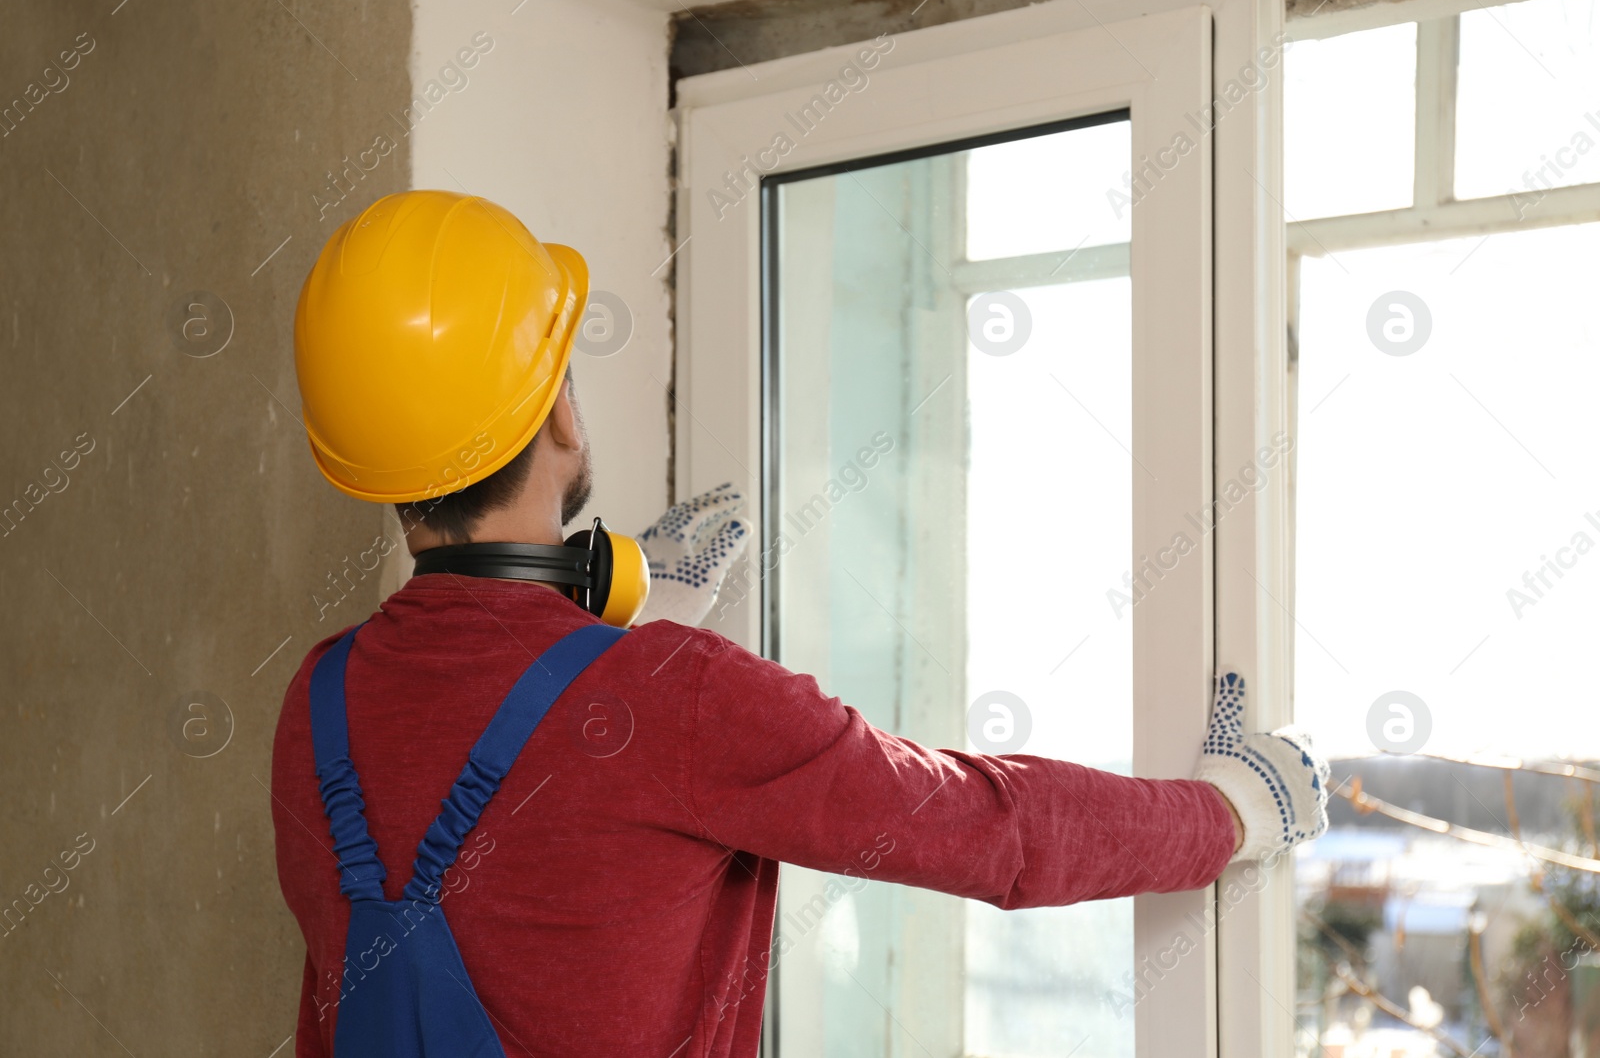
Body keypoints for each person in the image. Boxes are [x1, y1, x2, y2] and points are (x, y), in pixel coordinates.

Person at [271, 190, 1329, 1058]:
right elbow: (988, 828)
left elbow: (448, 900)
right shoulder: (677, 700)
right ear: (557, 411)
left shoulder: (315, 704)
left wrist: (628, 618)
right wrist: (1234, 807)